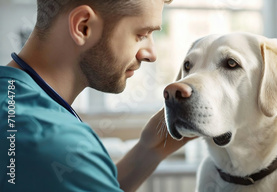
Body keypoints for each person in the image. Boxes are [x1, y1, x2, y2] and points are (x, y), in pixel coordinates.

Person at [0, 0, 192, 191]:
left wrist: (150, 149)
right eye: (141, 35)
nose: (151, 54)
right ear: (83, 27)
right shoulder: (56, 141)